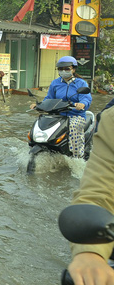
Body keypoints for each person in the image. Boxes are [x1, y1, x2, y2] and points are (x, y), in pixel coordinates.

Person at [66, 106, 114, 284]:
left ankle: (77, 155)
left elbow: (85, 101)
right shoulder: (112, 120)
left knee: (76, 136)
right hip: (61, 116)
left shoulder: (79, 84)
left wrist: (79, 105)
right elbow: (99, 194)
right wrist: (90, 252)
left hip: (76, 117)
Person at [30, 55, 92, 158]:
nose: (64, 71)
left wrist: (82, 104)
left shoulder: (81, 83)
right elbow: (49, 98)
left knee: (74, 128)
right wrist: (38, 105)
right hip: (59, 115)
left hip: (75, 115)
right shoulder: (55, 83)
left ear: (73, 69)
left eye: (67, 69)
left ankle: (77, 158)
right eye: (61, 69)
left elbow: (86, 98)